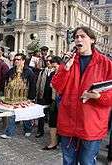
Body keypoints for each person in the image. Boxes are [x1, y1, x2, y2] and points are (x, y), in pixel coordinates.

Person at [51, 26, 112, 165]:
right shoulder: (69, 61)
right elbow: (57, 86)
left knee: (87, 161)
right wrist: (65, 68)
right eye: (76, 37)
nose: (78, 39)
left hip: (91, 124)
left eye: (82, 36)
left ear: (92, 40)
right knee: (68, 160)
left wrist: (98, 97)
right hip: (69, 121)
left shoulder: (106, 64)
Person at [0, 53, 36, 139]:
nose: (16, 61)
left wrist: (31, 98)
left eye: (18, 59)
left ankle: (28, 129)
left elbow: (32, 85)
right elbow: (6, 82)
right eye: (15, 59)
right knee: (12, 114)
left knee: (25, 114)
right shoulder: (11, 71)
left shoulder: (29, 71)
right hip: (13, 96)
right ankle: (9, 133)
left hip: (25, 97)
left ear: (23, 61)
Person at [42, 56, 62, 150]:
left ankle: (61, 141)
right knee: (52, 122)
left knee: (61, 122)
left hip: (62, 101)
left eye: (55, 66)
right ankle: (53, 142)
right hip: (53, 100)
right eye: (53, 67)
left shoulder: (65, 73)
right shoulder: (53, 73)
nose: (54, 68)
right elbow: (48, 86)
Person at [35, 55, 54, 138]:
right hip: (42, 96)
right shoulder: (42, 72)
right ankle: (40, 130)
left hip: (52, 97)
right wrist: (37, 95)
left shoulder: (57, 71)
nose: (48, 63)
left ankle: (52, 132)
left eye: (50, 61)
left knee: (52, 116)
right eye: (47, 61)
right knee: (41, 114)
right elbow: (38, 84)